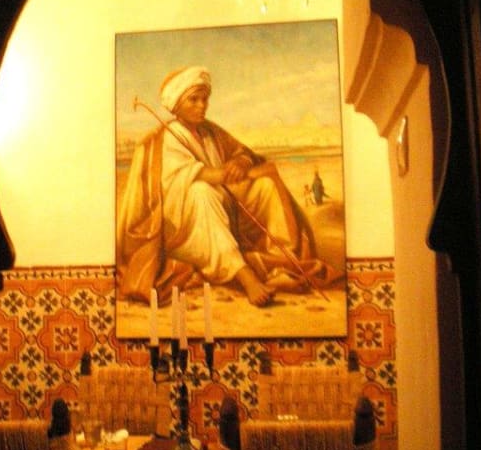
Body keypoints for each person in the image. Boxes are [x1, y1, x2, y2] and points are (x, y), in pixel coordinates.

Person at [116, 66, 339, 307]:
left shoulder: (210, 131)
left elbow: (242, 152)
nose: (202, 105)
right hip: (184, 230)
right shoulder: (167, 138)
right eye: (194, 100)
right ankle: (246, 277)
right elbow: (204, 176)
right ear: (177, 103)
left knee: (264, 185)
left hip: (221, 212)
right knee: (201, 191)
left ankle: (282, 262)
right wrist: (228, 173)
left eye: (205, 99)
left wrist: (241, 162)